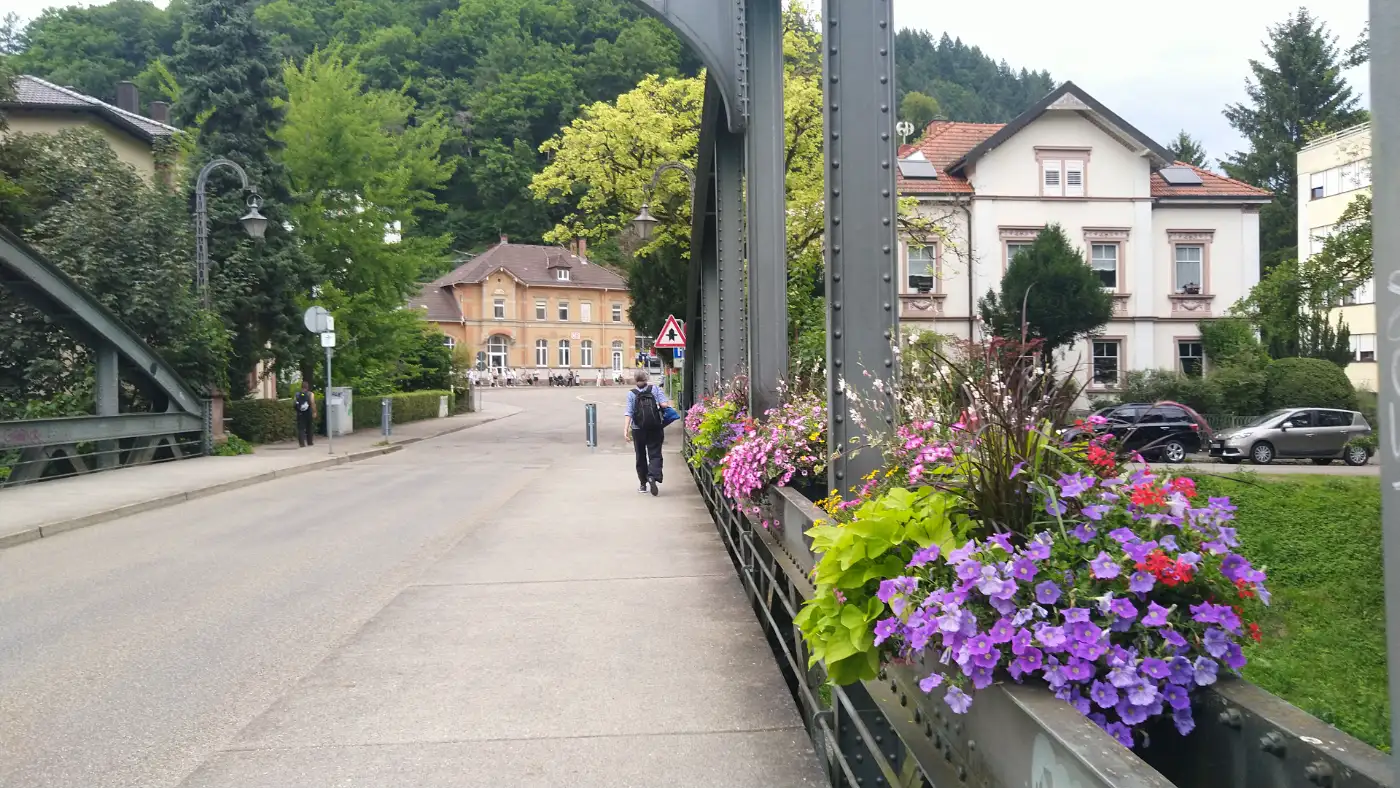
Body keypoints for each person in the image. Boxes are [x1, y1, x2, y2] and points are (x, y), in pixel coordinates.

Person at [624, 369, 669, 496]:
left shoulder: (631, 394)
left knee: (640, 455)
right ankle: (653, 476)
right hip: (655, 427)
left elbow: (629, 412)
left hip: (638, 429)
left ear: (635, 380)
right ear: (646, 378)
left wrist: (626, 429)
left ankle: (643, 484)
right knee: (655, 453)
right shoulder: (654, 389)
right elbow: (664, 405)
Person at [294, 381, 317, 448]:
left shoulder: (297, 394)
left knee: (301, 428)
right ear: (307, 387)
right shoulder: (310, 394)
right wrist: (314, 412)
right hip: (308, 413)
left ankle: (301, 443)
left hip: (300, 413)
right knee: (309, 427)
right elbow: (312, 403)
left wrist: (298, 410)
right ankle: (310, 442)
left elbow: (294, 403)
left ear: (301, 387)